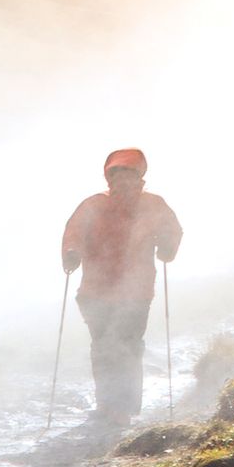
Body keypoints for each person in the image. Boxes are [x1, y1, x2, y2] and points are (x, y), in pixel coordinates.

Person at [61, 146, 182, 422]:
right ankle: (109, 405)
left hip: (136, 292)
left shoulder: (154, 205)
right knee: (104, 346)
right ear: (108, 176)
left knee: (126, 345)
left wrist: (167, 247)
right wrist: (71, 253)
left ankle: (122, 408)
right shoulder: (94, 205)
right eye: (116, 173)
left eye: (128, 172)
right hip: (94, 292)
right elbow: (74, 232)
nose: (122, 179)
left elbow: (172, 231)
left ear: (140, 175)